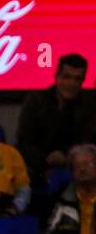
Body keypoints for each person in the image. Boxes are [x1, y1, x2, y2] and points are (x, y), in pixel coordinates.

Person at [17, 53, 95, 191]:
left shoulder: (88, 105)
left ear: (82, 81)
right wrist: (45, 162)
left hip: (75, 165)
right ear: (56, 76)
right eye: (67, 77)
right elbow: (24, 141)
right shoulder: (36, 101)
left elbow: (88, 141)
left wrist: (67, 158)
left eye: (77, 79)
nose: (71, 83)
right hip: (38, 165)